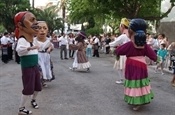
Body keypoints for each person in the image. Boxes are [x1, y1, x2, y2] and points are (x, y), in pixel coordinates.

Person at [116, 19, 157, 110]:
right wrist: (157, 59)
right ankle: (142, 99)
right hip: (142, 64)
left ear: (131, 33)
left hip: (131, 65)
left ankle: (136, 102)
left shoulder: (130, 45)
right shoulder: (145, 45)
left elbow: (119, 51)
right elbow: (153, 55)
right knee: (141, 82)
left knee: (134, 82)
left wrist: (117, 51)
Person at [15, 11, 41, 115]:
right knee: (28, 88)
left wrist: (49, 47)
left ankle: (33, 100)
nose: (36, 23)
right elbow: (19, 50)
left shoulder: (33, 40)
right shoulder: (22, 40)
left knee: (38, 87)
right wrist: (30, 47)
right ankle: (21, 108)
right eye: (32, 20)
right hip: (27, 68)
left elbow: (41, 46)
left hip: (35, 67)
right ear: (20, 25)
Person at [109, 18, 130, 84]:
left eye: (120, 26)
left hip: (123, 54)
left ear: (123, 26)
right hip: (129, 54)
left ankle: (122, 79)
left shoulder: (123, 36)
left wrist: (109, 44)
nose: (119, 27)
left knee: (120, 67)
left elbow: (115, 43)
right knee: (127, 68)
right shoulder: (130, 35)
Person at [34, 21, 54, 87]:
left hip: (46, 56)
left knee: (46, 68)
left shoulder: (48, 40)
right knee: (40, 69)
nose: (42, 30)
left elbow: (51, 46)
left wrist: (50, 48)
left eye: (44, 28)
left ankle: (43, 81)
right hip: (38, 56)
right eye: (39, 28)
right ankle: (38, 82)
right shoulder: (33, 40)